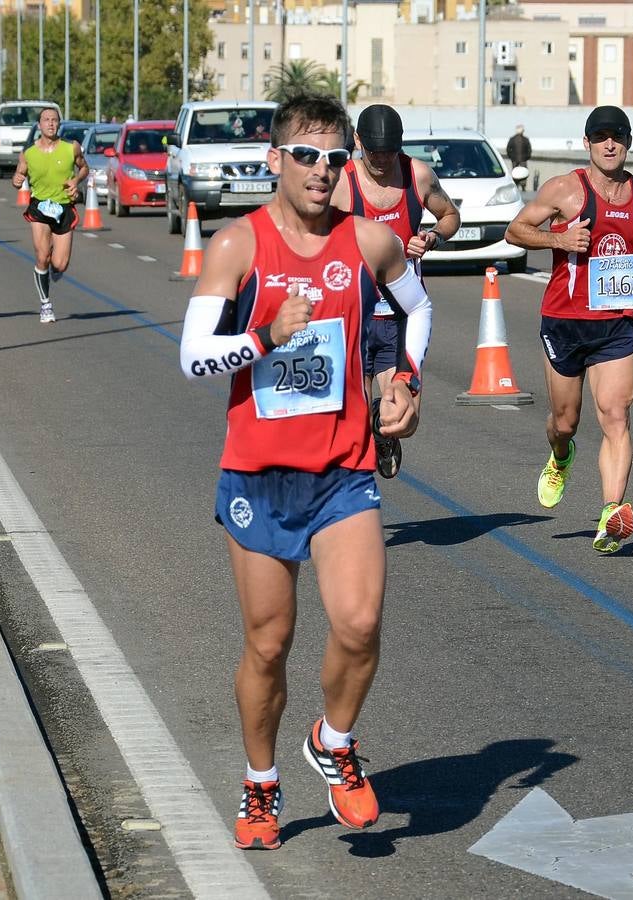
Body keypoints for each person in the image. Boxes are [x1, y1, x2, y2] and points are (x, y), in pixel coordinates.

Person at [179, 93, 425, 851]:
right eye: (309, 157)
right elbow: (192, 357)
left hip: (342, 471)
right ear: (276, 160)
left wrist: (407, 380)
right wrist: (261, 336)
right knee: (269, 644)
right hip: (257, 477)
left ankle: (334, 741)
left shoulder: (369, 242)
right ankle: (260, 787)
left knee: (358, 622)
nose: (324, 172)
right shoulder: (237, 246)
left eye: (335, 158)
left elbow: (416, 310)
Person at [504, 105, 633, 554]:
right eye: (600, 136)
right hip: (565, 322)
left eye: (617, 136)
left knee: (616, 415)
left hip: (616, 324)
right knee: (565, 422)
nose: (609, 144)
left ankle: (611, 513)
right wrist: (558, 239)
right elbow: (515, 230)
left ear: (629, 142)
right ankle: (561, 456)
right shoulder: (564, 190)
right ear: (587, 143)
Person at [331, 104, 459, 479]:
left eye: (390, 151)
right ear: (358, 142)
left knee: (404, 417)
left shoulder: (416, 175)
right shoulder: (342, 184)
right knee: (348, 427)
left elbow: (451, 216)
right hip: (354, 317)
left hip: (403, 314)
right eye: (374, 152)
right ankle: (351, 509)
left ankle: (380, 425)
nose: (383, 160)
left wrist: (431, 237)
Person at [10, 107, 89, 324]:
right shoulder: (28, 153)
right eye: (46, 120)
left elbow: (84, 168)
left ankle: (54, 268)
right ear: (39, 125)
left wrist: (76, 181)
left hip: (64, 208)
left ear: (59, 124)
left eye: (54, 120)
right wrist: (17, 180)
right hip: (39, 208)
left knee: (60, 264)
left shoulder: (71, 148)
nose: (51, 124)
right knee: (42, 255)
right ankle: (46, 304)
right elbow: (19, 175)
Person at [506, 124, 532, 190]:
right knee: (524, 173)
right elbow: (529, 149)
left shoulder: (512, 139)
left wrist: (511, 157)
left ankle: (516, 185)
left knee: (515, 173)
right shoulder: (525, 139)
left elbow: (508, 149)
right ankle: (523, 186)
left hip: (514, 159)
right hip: (523, 159)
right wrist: (527, 157)